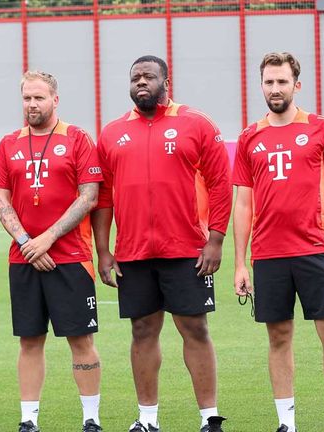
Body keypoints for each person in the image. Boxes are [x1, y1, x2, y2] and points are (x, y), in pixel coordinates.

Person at [93, 55, 231, 432]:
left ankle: (209, 417)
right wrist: (104, 251)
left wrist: (215, 239)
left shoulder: (195, 123)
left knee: (195, 329)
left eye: (149, 76)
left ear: (165, 81)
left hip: (186, 250)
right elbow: (102, 197)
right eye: (135, 77)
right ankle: (147, 419)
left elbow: (221, 182)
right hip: (133, 253)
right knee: (142, 330)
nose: (141, 82)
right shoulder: (112, 132)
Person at [233, 52, 324, 432]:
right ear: (261, 85)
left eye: (282, 81)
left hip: (316, 251)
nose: (275, 88)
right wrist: (240, 262)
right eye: (269, 82)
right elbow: (243, 203)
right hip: (268, 256)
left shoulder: (322, 129)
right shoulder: (249, 137)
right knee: (279, 336)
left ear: (296, 85)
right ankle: (287, 423)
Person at [0, 71, 103, 432]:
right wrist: (28, 242)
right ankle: (28, 420)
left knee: (80, 339)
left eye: (39, 98)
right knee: (29, 340)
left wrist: (48, 238)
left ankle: (91, 418)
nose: (32, 105)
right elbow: (1, 200)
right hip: (24, 258)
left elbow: (89, 196)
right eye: (26, 98)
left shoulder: (77, 139)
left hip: (70, 257)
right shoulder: (8, 143)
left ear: (55, 99)